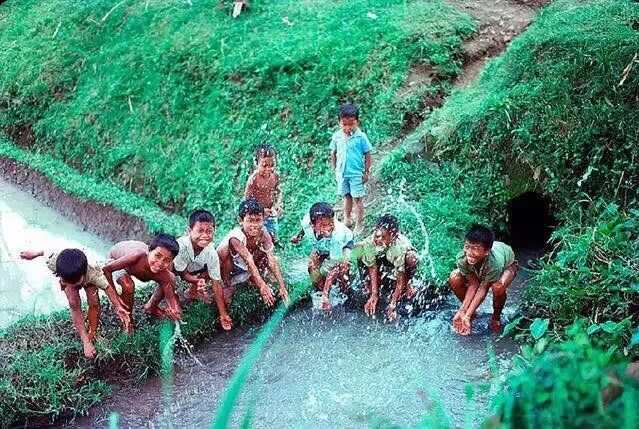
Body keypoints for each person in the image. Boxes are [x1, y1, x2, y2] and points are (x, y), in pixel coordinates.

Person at [19, 248, 131, 358]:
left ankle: (93, 332)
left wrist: (118, 306)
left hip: (88, 278)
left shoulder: (94, 274)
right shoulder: (53, 262)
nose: (73, 286)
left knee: (94, 303)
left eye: (75, 283)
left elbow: (107, 287)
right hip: (68, 274)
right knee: (74, 303)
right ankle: (86, 340)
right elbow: (45, 251)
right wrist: (34, 254)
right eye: (66, 281)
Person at [217, 198, 289, 308]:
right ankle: (227, 285)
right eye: (250, 221)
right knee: (227, 297)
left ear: (264, 219)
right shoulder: (236, 238)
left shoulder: (264, 235)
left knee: (265, 254)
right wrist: (262, 286)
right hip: (228, 269)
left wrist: (282, 286)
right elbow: (249, 260)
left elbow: (272, 260)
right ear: (240, 220)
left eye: (258, 220)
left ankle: (253, 280)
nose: (255, 225)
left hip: (245, 266)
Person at [449, 225, 518, 335]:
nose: (470, 252)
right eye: (467, 246)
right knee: (454, 277)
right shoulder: (462, 258)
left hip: (507, 266)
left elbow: (483, 289)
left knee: (498, 286)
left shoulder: (495, 263)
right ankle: (472, 312)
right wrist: (463, 311)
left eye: (476, 249)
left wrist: (467, 316)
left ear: (487, 251)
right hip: (479, 268)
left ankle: (496, 318)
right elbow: (473, 285)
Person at [102, 234, 181, 327]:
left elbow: (170, 297)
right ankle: (128, 319)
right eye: (157, 256)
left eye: (166, 260)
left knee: (169, 279)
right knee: (128, 286)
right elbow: (106, 270)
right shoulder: (137, 256)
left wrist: (174, 310)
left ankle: (151, 307)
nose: (160, 263)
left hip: (136, 252)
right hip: (116, 258)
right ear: (149, 251)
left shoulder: (166, 274)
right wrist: (115, 298)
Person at [173, 209, 232, 330]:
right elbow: (182, 274)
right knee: (168, 277)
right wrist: (197, 281)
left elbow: (216, 284)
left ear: (214, 231)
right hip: (175, 270)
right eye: (200, 231)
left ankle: (192, 292)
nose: (205, 236)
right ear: (189, 231)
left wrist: (223, 314)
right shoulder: (181, 246)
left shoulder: (211, 252)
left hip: (194, 269)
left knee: (217, 265)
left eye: (209, 231)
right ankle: (157, 303)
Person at [290, 202, 354, 310]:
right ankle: (321, 291)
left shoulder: (337, 234)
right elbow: (304, 228)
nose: (328, 228)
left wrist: (325, 294)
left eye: (331, 223)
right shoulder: (307, 221)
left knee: (343, 270)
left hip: (343, 244)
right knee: (312, 268)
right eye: (323, 225)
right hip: (322, 246)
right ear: (312, 225)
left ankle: (345, 294)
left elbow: (334, 266)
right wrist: (299, 237)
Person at [356, 214, 419, 321]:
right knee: (359, 248)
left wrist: (392, 304)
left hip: (397, 258)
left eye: (384, 237)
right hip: (381, 256)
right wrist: (374, 294)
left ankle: (409, 284)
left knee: (411, 258)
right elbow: (372, 267)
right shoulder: (370, 242)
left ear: (394, 236)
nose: (379, 240)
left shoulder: (399, 247)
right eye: (377, 236)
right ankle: (367, 284)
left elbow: (400, 279)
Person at [330, 103, 372, 236]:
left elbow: (368, 154)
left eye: (351, 124)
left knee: (357, 199)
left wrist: (366, 171)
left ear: (357, 122)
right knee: (346, 196)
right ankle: (347, 219)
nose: (348, 128)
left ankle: (359, 224)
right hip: (342, 174)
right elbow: (333, 153)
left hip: (356, 174)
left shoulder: (361, 137)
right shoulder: (337, 136)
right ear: (339, 122)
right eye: (344, 124)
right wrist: (335, 170)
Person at [244, 143, 283, 243]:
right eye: (264, 165)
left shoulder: (275, 176)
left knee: (272, 234)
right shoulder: (253, 179)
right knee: (259, 238)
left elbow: (278, 191)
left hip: (270, 213)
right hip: (257, 215)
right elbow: (247, 201)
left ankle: (272, 245)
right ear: (256, 163)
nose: (268, 169)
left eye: (272, 165)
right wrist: (261, 211)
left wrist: (278, 205)